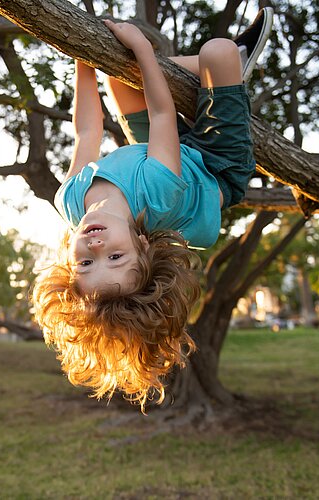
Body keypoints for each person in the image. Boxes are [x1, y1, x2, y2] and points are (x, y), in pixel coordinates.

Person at [33, 8, 274, 411]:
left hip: (160, 152)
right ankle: (225, 72)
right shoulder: (157, 195)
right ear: (143, 245)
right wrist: (144, 47)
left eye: (86, 265)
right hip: (216, 165)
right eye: (115, 256)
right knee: (218, 52)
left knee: (117, 73)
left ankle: (207, 85)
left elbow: (87, 131)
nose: (95, 247)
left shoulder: (70, 200)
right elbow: (162, 113)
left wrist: (82, 59)